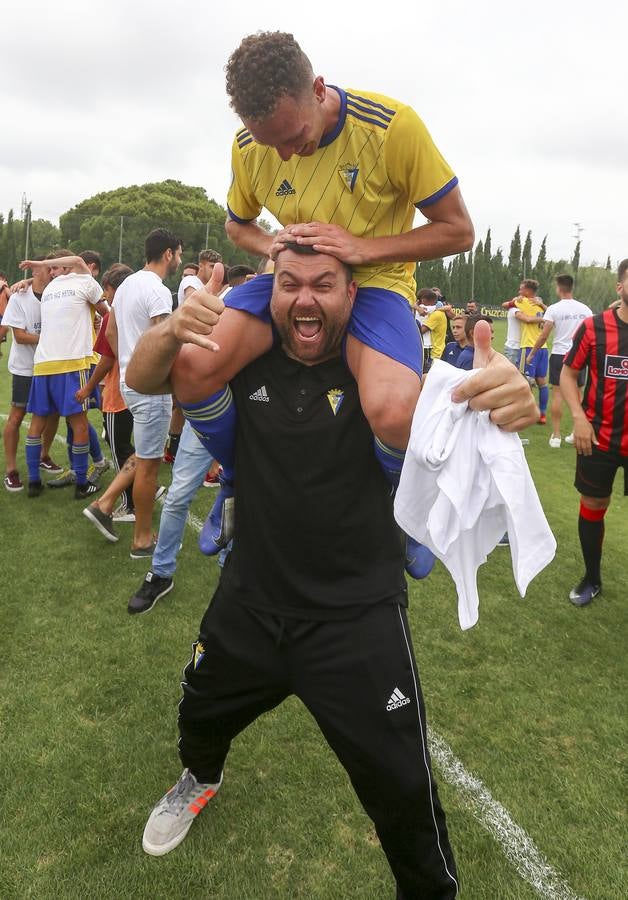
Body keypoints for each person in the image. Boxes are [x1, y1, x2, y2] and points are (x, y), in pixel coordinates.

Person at [139, 244, 536, 897]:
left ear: (352, 296)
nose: (304, 298)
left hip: (358, 617)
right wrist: (170, 327)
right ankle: (199, 780)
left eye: (324, 283)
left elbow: (460, 398)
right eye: (288, 282)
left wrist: (509, 389)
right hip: (251, 599)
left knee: (404, 785)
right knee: (198, 712)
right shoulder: (245, 359)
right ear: (271, 295)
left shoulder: (388, 372)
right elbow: (153, 375)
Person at [127, 31, 475, 574]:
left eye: (295, 136)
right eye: (271, 143)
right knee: (193, 368)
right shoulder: (250, 147)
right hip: (294, 279)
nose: (286, 153)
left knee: (393, 411)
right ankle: (238, 480)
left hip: (377, 281)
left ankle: (405, 508)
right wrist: (273, 246)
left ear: (318, 89)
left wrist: (362, 248)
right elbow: (236, 224)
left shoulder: (391, 128)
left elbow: (459, 231)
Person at [105, 228, 182, 558]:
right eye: (178, 253)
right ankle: (141, 540)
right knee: (150, 466)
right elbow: (164, 344)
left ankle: (105, 502)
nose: (179, 259)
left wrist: (127, 363)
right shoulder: (158, 291)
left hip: (129, 383)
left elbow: (111, 331)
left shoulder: (125, 286)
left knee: (144, 454)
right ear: (168, 254)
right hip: (151, 387)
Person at [560, 258, 628, 607]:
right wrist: (578, 417)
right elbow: (569, 374)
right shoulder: (594, 328)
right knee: (593, 504)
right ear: (620, 286)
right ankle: (592, 578)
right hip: (598, 437)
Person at [21, 252, 109, 499]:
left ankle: (34, 482)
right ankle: (82, 484)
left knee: (37, 424)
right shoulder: (85, 281)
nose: (51, 271)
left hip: (43, 365)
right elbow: (107, 313)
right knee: (78, 423)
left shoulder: (49, 290)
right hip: (71, 364)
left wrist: (30, 276)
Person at [74, 264, 136, 518]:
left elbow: (107, 359)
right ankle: (146, 489)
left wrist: (88, 387)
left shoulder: (114, 315)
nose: (105, 298)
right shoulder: (136, 310)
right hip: (139, 388)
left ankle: (129, 504)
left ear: (114, 289)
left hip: (117, 393)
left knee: (120, 448)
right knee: (129, 446)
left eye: (107, 291)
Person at [2, 256, 61, 490]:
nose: (55, 273)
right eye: (51, 269)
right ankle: (11, 470)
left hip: (49, 365)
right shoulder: (19, 296)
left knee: (54, 413)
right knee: (17, 416)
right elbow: (20, 336)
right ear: (38, 272)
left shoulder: (54, 295)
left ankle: (44, 456)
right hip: (25, 368)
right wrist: (50, 338)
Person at [525, 274, 592, 447]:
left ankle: (556, 436)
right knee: (578, 395)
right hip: (580, 354)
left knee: (558, 394)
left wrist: (532, 353)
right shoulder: (585, 309)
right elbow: (590, 334)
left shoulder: (554, 309)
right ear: (571, 287)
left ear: (558, 288)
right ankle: (574, 432)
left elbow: (544, 335)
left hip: (560, 355)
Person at [513, 279, 549, 423]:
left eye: (521, 289)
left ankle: (527, 413)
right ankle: (543, 414)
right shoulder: (542, 306)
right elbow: (549, 315)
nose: (519, 292)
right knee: (542, 381)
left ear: (527, 291)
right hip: (543, 348)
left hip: (528, 347)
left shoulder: (524, 302)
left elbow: (506, 305)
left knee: (525, 382)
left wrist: (516, 299)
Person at [418, 289, 448, 368]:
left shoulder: (436, 314)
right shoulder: (437, 311)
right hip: (437, 351)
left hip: (435, 353)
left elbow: (421, 331)